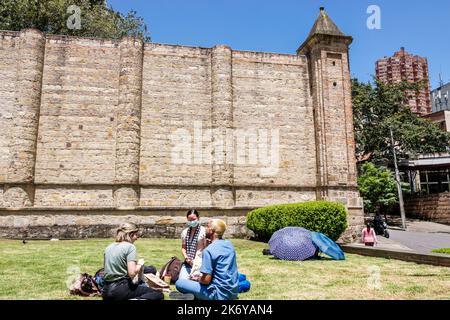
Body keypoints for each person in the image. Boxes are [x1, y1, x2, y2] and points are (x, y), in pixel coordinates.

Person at [174, 219, 239, 300]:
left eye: (207, 226)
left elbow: (206, 280)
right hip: (233, 293)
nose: (204, 228)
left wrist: (197, 279)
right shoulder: (229, 245)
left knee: (179, 283)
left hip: (217, 295)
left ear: (211, 231)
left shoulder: (209, 250)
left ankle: (190, 297)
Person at [101, 223, 164, 300]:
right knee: (158, 294)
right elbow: (132, 273)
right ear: (130, 234)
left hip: (105, 291)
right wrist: (140, 264)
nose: (137, 238)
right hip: (120, 290)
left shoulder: (109, 247)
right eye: (136, 235)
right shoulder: (130, 247)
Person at [178, 209, 207, 281]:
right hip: (188, 262)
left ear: (198, 218)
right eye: (189, 220)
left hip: (200, 263)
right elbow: (183, 248)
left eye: (194, 219)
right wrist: (186, 258)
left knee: (195, 282)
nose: (192, 222)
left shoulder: (204, 231)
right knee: (182, 282)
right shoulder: (185, 232)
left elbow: (206, 248)